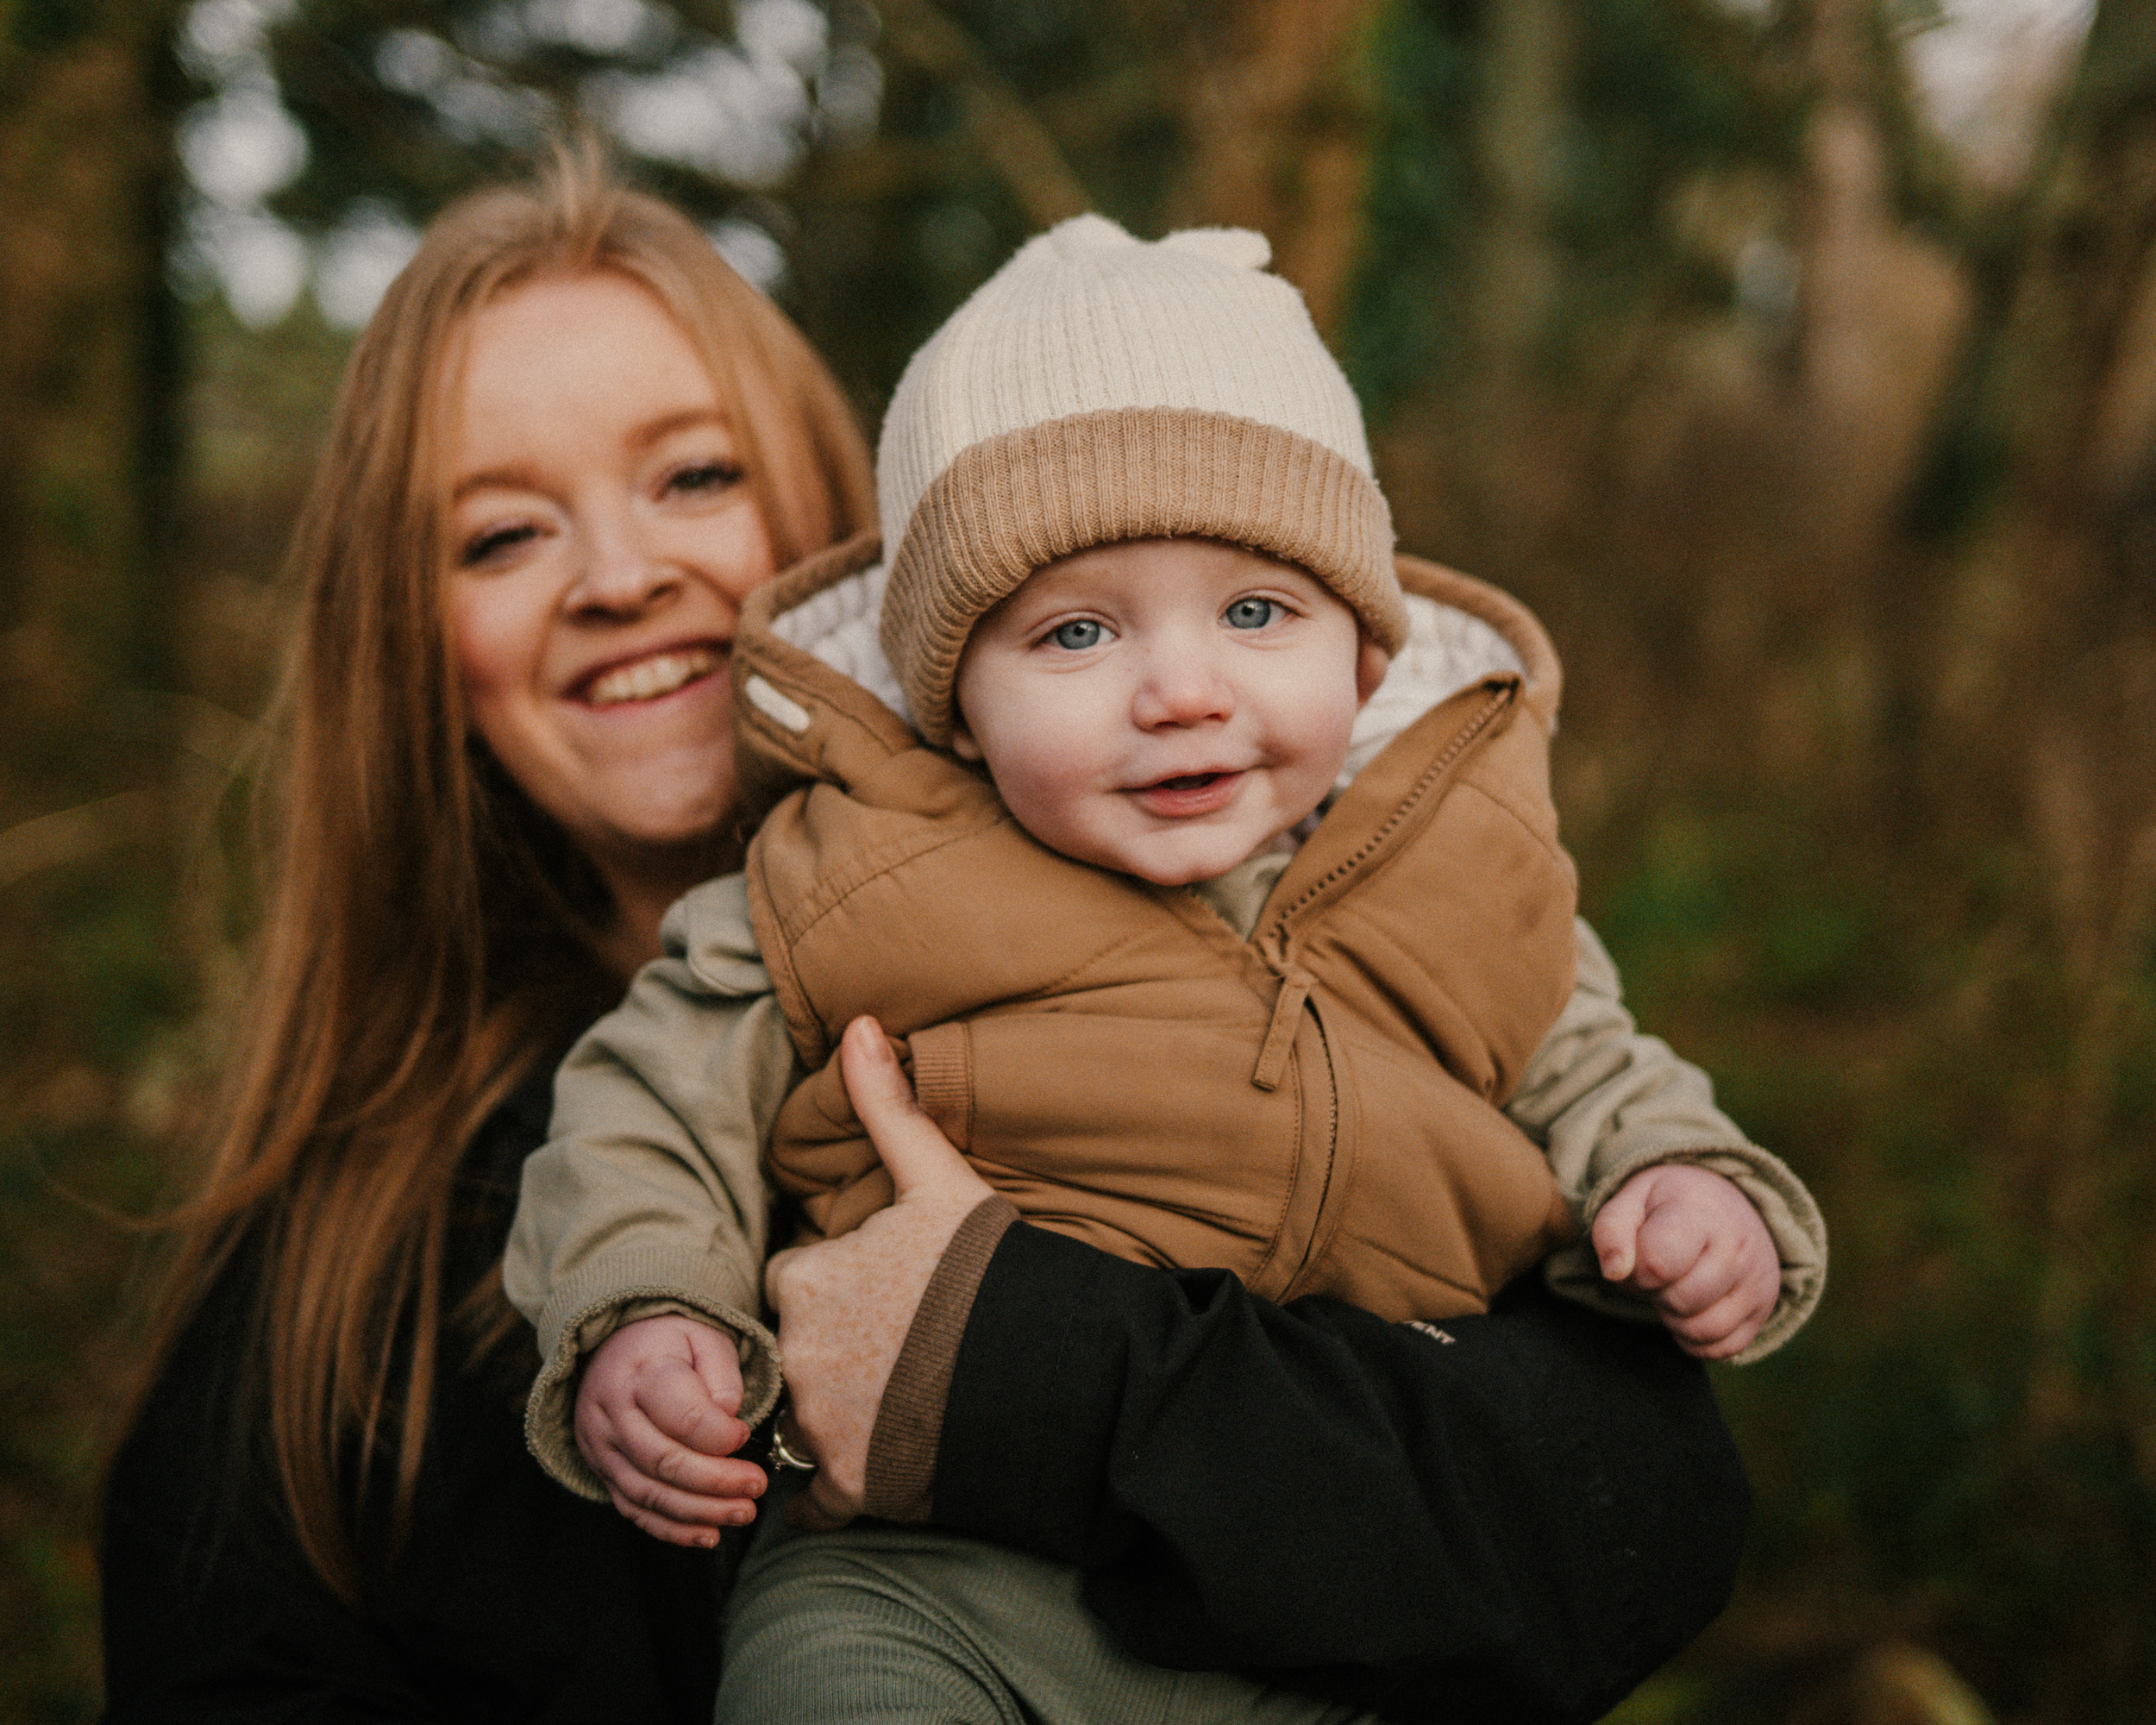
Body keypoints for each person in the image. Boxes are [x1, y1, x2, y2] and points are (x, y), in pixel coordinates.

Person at [97, 147, 1771, 1725]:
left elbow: (1642, 1509)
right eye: (500, 531)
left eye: (692, 473)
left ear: (856, 538)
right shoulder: (328, 1289)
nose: (617, 571)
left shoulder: (1349, 921)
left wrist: (1017, 1356)